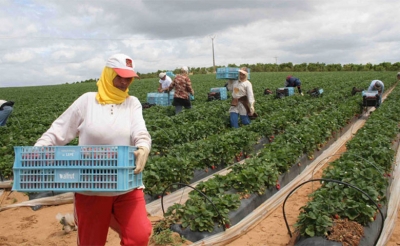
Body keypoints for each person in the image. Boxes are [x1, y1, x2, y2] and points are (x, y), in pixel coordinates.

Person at [34, 54, 152, 246]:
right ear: (108, 74)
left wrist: (144, 146)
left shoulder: (132, 103)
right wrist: (36, 152)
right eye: (119, 76)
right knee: (91, 241)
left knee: (139, 236)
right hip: (92, 187)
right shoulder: (87, 102)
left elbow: (140, 131)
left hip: (126, 184)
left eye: (128, 78)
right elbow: (58, 132)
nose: (124, 82)